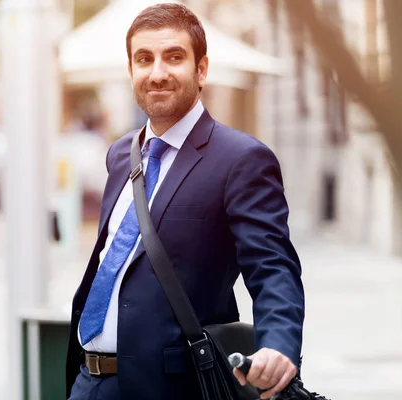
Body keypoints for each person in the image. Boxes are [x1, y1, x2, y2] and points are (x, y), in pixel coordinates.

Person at [65, 3, 304, 400]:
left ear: (201, 69)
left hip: (174, 387)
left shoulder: (241, 159)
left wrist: (278, 344)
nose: (157, 73)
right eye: (144, 59)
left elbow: (272, 266)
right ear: (131, 71)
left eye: (173, 57)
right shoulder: (121, 154)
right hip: (88, 380)